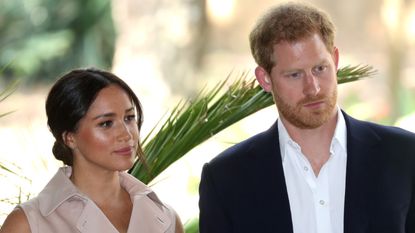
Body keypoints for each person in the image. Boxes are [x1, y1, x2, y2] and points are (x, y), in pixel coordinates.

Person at [199, 2, 415, 233]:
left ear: (335, 59)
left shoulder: (405, 155)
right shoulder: (226, 179)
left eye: (320, 69)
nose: (312, 88)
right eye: (294, 74)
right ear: (265, 79)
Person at [0, 68, 184, 233]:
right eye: (106, 123)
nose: (126, 134)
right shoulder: (27, 225)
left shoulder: (166, 218)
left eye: (129, 118)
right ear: (69, 137)